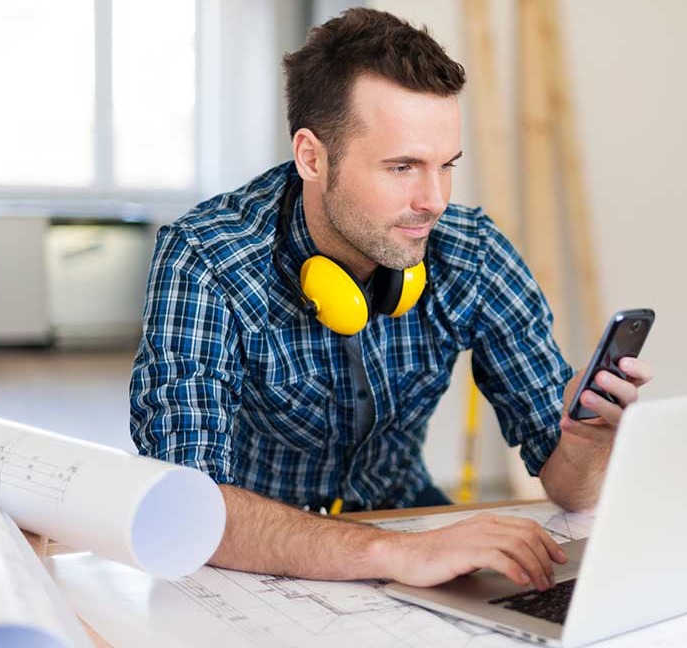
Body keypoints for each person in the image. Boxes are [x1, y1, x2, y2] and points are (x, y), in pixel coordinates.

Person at [130, 8, 652, 593]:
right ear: (312, 157)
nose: (434, 201)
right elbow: (188, 506)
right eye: (403, 167)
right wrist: (396, 553)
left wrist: (584, 442)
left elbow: (571, 490)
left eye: (445, 166)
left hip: (404, 512)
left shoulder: (471, 251)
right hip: (258, 544)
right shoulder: (206, 257)